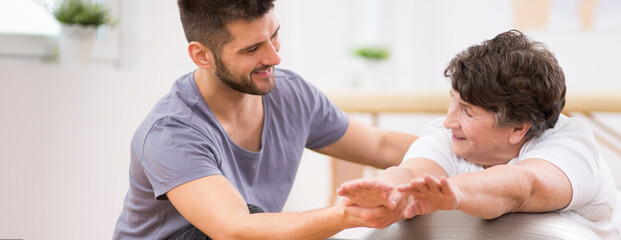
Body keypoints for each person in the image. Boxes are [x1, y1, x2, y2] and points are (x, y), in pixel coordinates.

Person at [112, 0, 417, 239]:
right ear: (201, 56)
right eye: (252, 48)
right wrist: (346, 215)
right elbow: (234, 229)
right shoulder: (171, 132)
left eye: (274, 36)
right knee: (248, 221)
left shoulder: (292, 94)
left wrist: (454, 148)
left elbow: (380, 145)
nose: (274, 57)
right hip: (216, 234)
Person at [338, 30, 621, 239]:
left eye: (467, 111)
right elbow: (413, 173)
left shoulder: (571, 144)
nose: (449, 121)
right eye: (453, 102)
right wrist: (389, 189)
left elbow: (521, 187)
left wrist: (455, 194)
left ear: (518, 128)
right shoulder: (452, 135)